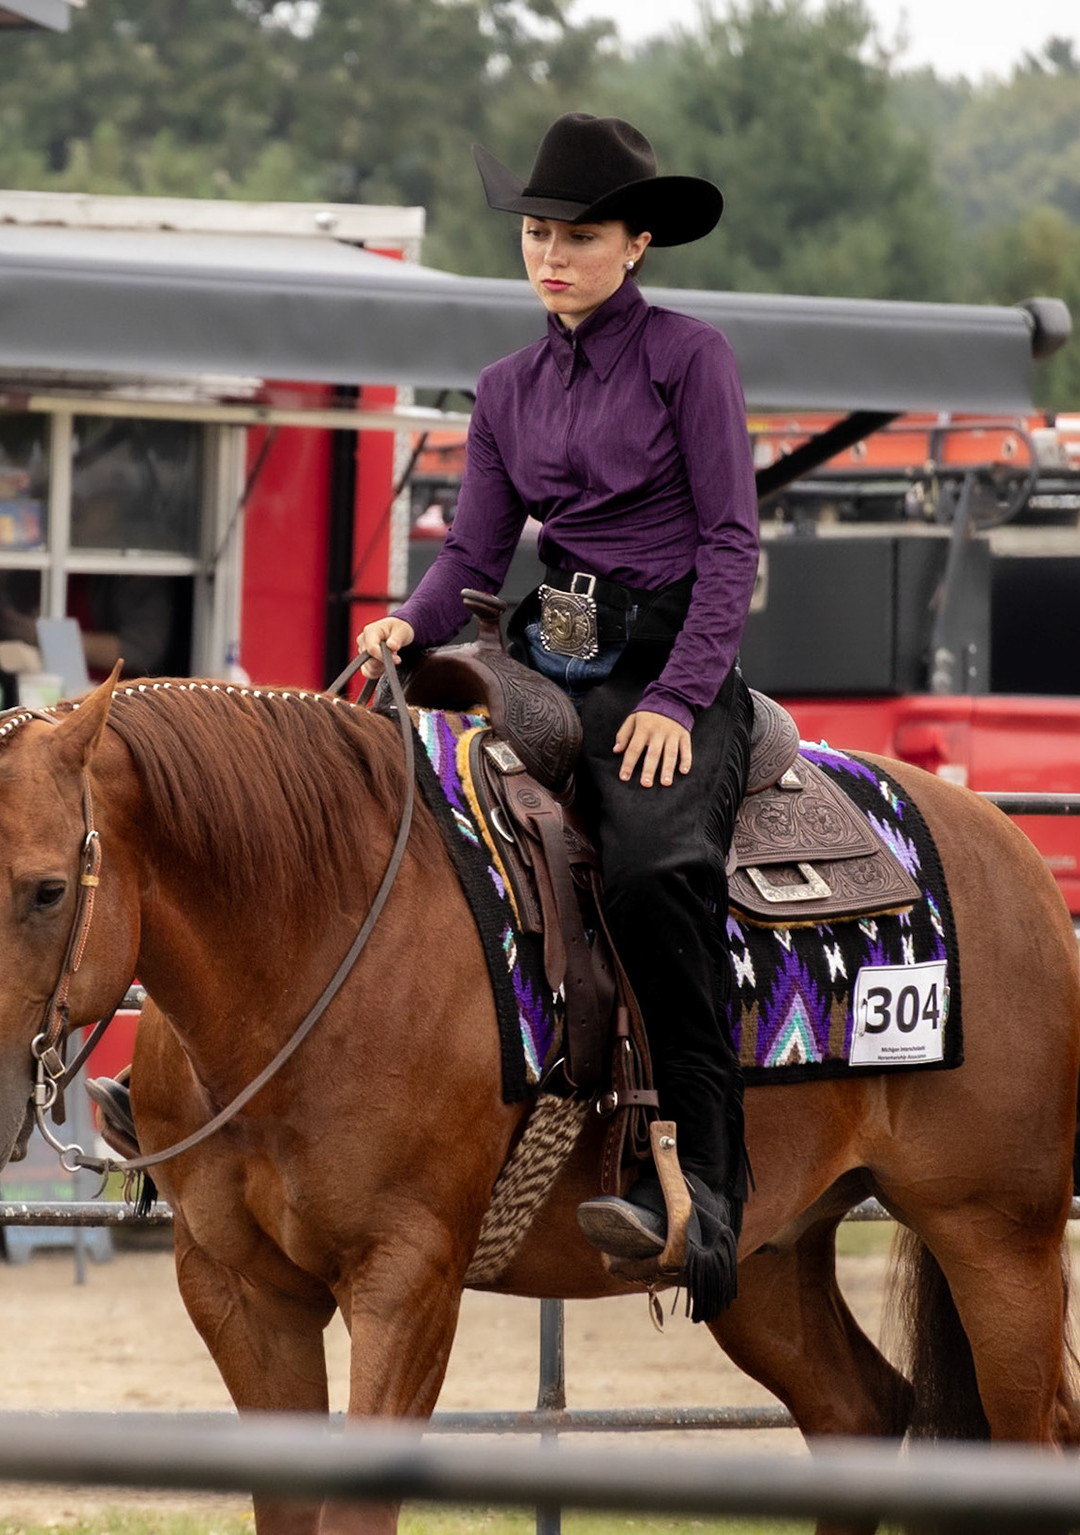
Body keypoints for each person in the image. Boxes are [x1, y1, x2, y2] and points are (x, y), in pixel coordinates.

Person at [357, 113, 759, 1321]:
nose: (551, 254)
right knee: (412, 814)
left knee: (646, 868)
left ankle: (711, 1173)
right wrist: (407, 624)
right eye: (537, 233)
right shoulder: (503, 388)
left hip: (669, 665)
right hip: (543, 654)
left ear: (636, 244)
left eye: (577, 235)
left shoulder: (692, 359)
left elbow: (733, 544)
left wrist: (685, 700)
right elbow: (471, 558)